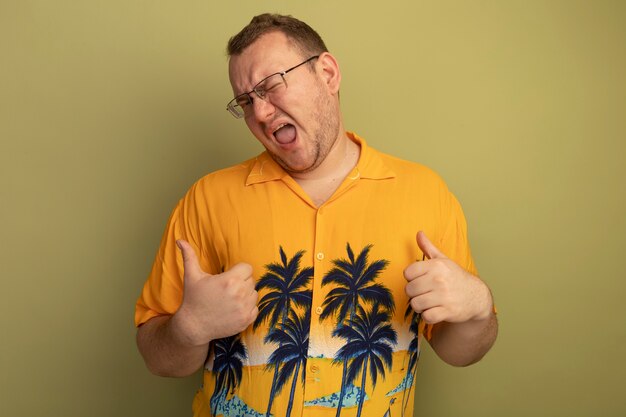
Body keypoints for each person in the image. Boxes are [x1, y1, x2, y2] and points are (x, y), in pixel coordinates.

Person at [135, 13, 497, 417]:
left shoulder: (426, 193)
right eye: (245, 101)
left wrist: (477, 306)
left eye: (270, 86)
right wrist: (190, 327)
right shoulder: (206, 198)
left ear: (327, 73)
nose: (259, 112)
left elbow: (461, 353)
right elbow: (158, 357)